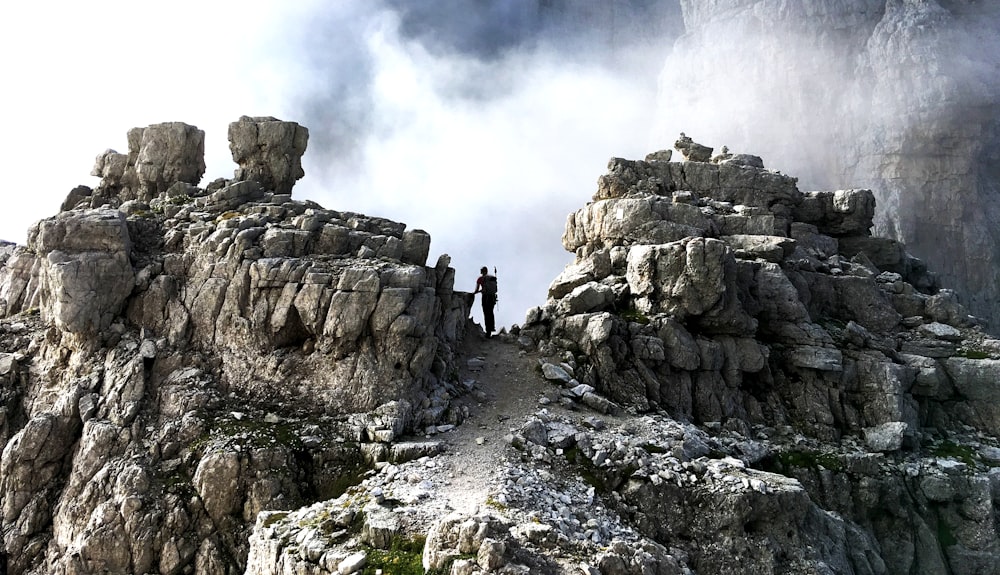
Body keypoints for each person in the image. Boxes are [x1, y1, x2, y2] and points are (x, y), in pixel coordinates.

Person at [474, 266, 498, 337]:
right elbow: (496, 289)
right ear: (487, 271)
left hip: (485, 297)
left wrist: (474, 293)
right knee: (490, 313)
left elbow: (476, 289)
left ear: (481, 272)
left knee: (486, 313)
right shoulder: (492, 277)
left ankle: (488, 332)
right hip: (492, 297)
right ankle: (491, 328)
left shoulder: (480, 279)